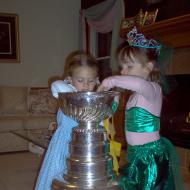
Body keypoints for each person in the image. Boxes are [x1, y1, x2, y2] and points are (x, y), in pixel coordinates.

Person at [97, 27, 184, 190]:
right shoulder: (135, 95)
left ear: (149, 66)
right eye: (122, 66)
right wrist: (111, 100)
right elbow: (119, 102)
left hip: (150, 155)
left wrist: (110, 80)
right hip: (137, 153)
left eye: (128, 66)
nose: (123, 71)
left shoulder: (152, 89)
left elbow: (138, 83)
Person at [35, 50, 121, 190]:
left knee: (88, 179)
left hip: (90, 147)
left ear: (97, 80)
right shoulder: (66, 93)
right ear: (70, 79)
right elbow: (55, 85)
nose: (86, 85)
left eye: (91, 80)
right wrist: (76, 93)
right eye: (80, 80)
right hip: (65, 143)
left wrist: (111, 99)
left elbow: (105, 115)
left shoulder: (96, 101)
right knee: (60, 175)